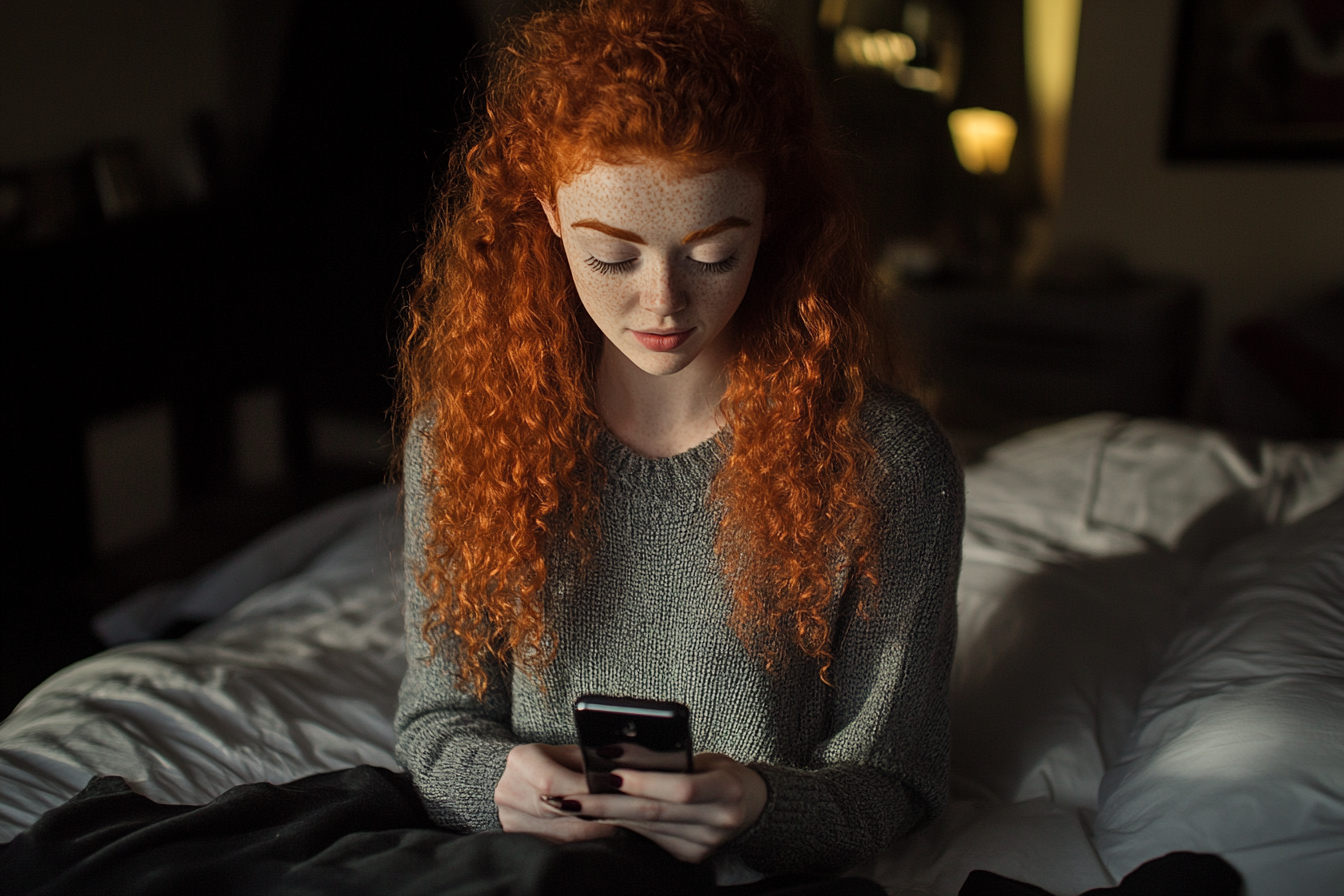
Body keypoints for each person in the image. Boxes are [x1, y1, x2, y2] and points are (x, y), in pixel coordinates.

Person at [395, 0, 963, 881]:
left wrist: (763, 806)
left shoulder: (890, 463)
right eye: (613, 258)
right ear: (547, 213)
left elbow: (896, 779)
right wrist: (495, 782)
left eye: (713, 255)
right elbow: (437, 723)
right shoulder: (465, 441)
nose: (662, 303)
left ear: (771, 218)